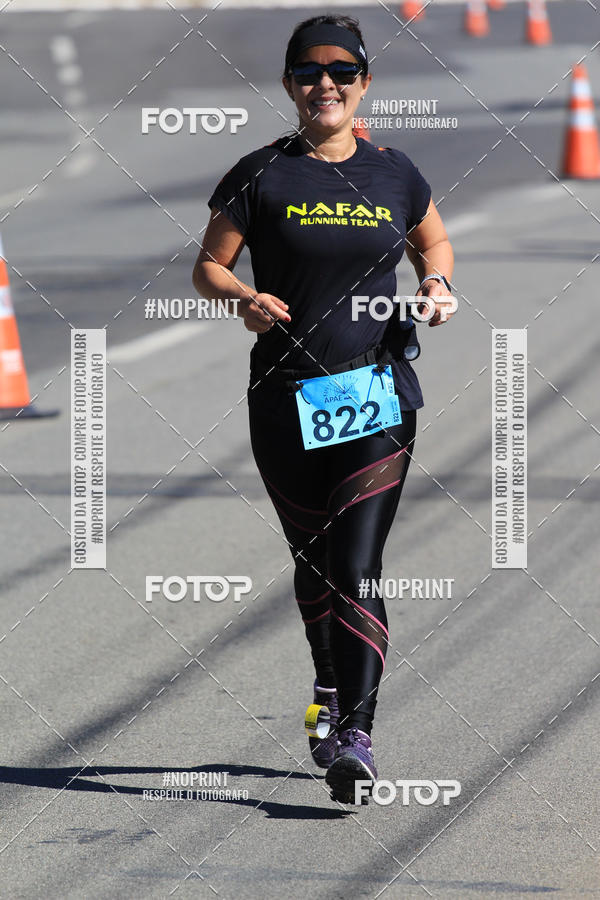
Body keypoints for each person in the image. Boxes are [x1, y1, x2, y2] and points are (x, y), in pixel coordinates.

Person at [193, 14, 455, 804]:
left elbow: (434, 244)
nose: (326, 86)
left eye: (342, 73)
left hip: (377, 396)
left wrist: (436, 285)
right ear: (290, 86)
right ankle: (329, 685)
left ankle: (357, 736)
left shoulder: (395, 172)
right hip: (284, 398)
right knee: (313, 566)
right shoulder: (262, 173)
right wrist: (241, 296)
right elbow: (208, 264)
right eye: (310, 74)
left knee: (356, 566)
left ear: (364, 84)